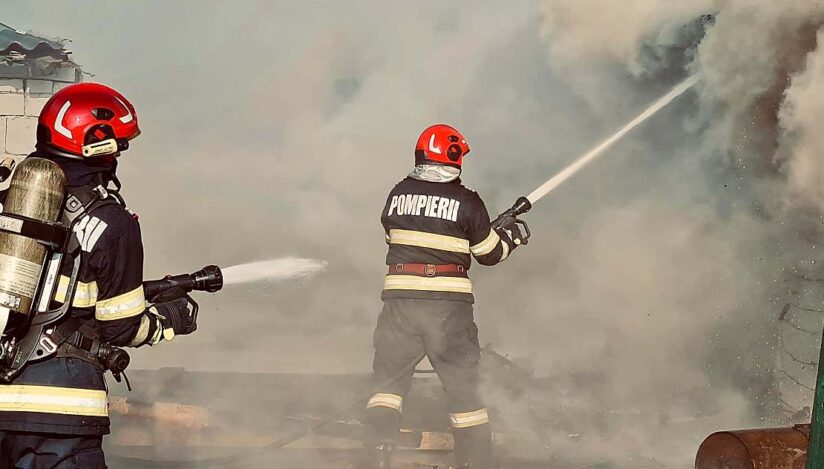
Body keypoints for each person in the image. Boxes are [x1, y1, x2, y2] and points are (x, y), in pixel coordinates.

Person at [0, 83, 197, 468]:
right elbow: (120, 328)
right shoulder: (112, 222)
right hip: (59, 413)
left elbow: (62, 291)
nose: (120, 153)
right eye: (119, 144)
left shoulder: (9, 201)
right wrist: (170, 319)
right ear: (98, 145)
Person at [365, 124, 529, 469]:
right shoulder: (467, 201)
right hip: (447, 311)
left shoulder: (397, 195)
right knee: (464, 390)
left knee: (387, 387)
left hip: (399, 307)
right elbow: (488, 254)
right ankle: (475, 463)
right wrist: (507, 238)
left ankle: (375, 460)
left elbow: (399, 239)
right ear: (453, 158)